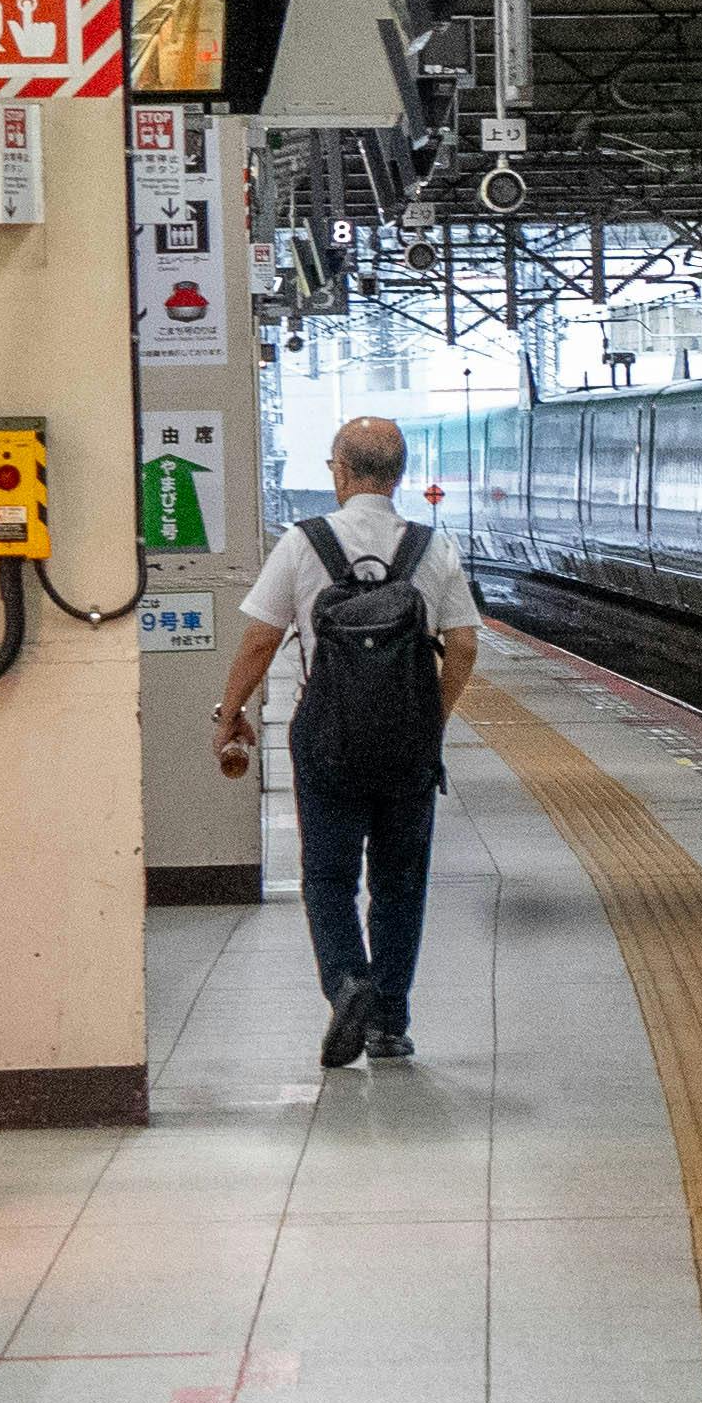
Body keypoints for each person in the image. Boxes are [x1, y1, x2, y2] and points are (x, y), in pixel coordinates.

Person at [214, 417, 483, 1068]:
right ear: (400, 475)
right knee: (400, 882)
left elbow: (260, 639)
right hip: (407, 745)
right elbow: (465, 647)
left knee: (328, 877)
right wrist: (432, 719)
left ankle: (346, 982)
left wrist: (232, 712)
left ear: (339, 470)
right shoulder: (432, 547)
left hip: (327, 738)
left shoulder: (303, 543)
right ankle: (389, 1023)